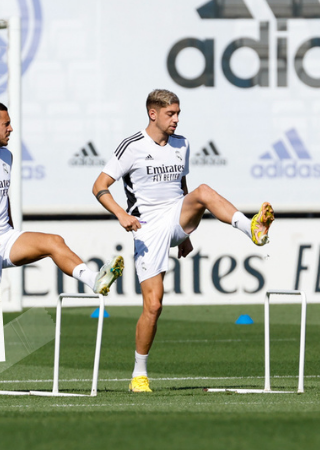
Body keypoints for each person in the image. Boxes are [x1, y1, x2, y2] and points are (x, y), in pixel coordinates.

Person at [91, 89, 275, 393]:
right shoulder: (132, 146)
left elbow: (183, 186)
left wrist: (185, 230)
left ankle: (251, 227)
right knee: (153, 305)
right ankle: (139, 375)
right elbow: (99, 186)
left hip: (176, 216)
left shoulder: (182, 144)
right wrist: (121, 214)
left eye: (178, 113)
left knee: (201, 191)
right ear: (153, 114)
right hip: (147, 227)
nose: (176, 119)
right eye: (170, 114)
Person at [0, 101, 124, 395]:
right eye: (6, 124)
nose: (11, 128)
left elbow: (3, 197)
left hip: (4, 237)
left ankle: (95, 281)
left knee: (54, 242)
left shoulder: (7, 155)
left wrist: (5, 228)